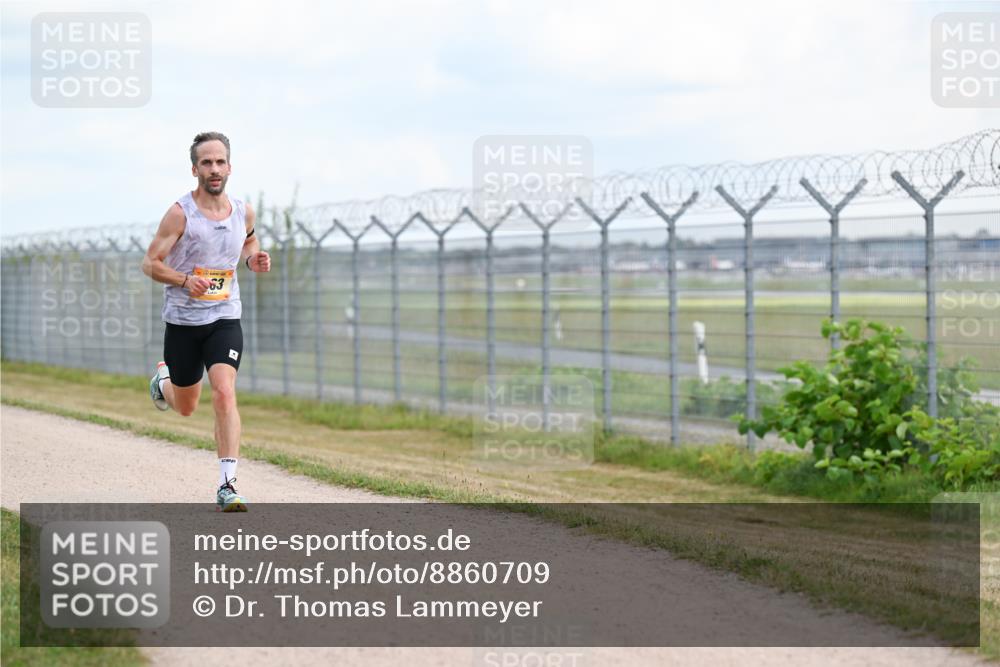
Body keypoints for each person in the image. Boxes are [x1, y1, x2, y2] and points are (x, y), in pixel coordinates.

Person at [141, 131, 271, 512]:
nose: (214, 169)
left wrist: (255, 258)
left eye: (220, 162)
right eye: (206, 162)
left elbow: (248, 241)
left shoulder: (243, 211)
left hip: (224, 316)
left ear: (230, 166)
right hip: (183, 321)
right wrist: (184, 280)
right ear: (195, 168)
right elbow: (150, 263)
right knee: (185, 406)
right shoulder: (181, 214)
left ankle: (227, 486)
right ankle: (163, 381)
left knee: (225, 392)